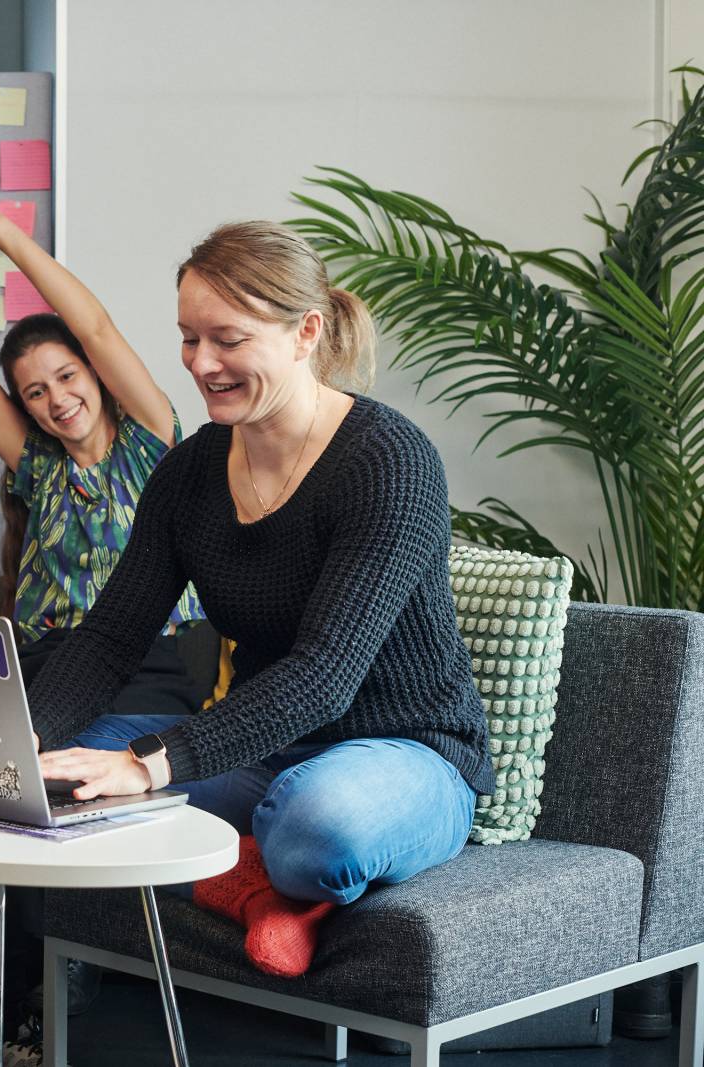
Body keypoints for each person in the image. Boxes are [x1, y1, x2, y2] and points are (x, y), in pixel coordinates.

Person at [32, 221, 493, 979]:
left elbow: (325, 673)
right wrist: (21, 753)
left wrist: (154, 765)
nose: (201, 364)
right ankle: (258, 880)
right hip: (265, 746)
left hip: (407, 753)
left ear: (306, 332)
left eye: (227, 339)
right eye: (188, 338)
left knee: (318, 826)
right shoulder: (189, 474)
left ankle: (281, 870)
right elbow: (110, 637)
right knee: (68, 782)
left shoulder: (390, 461)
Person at [0, 193, 205, 1062]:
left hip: (150, 666)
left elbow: (102, 324)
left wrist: (1, 236)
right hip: (41, 668)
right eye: (35, 391)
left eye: (68, 378)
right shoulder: (33, 463)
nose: (55, 399)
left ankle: (38, 999)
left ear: (94, 375)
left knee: (44, 795)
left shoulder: (155, 440)